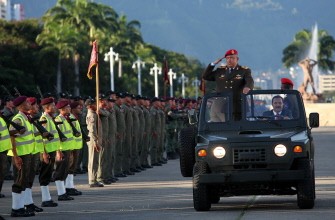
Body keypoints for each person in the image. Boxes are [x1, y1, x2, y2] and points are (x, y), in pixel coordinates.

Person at [203, 49, 254, 120]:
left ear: (237, 59)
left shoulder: (244, 70)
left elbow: (249, 80)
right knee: (217, 125)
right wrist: (213, 64)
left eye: (232, 58)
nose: (229, 60)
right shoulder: (220, 70)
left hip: (236, 105)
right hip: (220, 104)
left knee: (235, 126)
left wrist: (248, 87)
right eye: (227, 58)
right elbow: (206, 76)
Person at [7, 96, 35, 217]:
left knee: (23, 181)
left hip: (27, 153)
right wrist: (15, 156)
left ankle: (21, 206)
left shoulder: (26, 118)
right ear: (21, 106)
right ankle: (16, 208)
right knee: (19, 181)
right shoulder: (18, 119)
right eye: (27, 102)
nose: (29, 104)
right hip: (20, 154)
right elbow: (11, 137)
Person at [86, 98, 103, 187]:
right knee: (92, 160)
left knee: (96, 160)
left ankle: (95, 178)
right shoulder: (91, 115)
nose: (97, 105)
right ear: (90, 105)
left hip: (95, 139)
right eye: (94, 104)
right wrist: (96, 141)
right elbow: (92, 129)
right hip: (93, 140)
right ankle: (92, 180)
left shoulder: (94, 114)